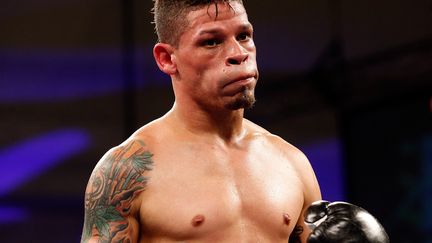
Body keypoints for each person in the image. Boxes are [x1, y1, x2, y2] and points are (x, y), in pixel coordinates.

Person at [81, 0, 388, 242]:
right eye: (212, 42)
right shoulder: (128, 170)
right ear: (166, 58)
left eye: (244, 36)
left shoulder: (291, 163)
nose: (238, 53)